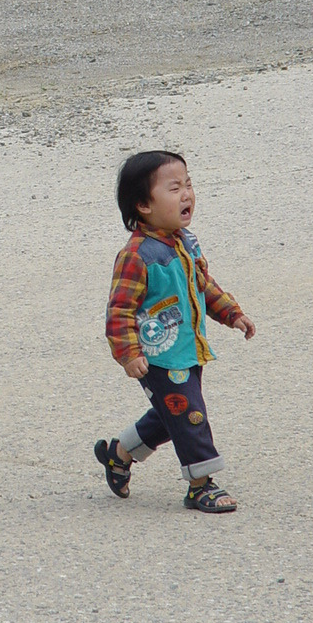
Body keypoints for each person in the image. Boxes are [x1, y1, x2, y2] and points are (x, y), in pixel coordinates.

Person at [94, 150, 255, 513]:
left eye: (189, 184)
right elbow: (119, 309)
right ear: (143, 205)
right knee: (189, 415)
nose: (186, 194)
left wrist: (231, 313)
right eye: (174, 188)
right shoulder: (137, 256)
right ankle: (201, 485)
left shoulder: (186, 241)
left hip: (187, 348)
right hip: (159, 355)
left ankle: (118, 455)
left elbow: (203, 285)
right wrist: (128, 353)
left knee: (172, 414)